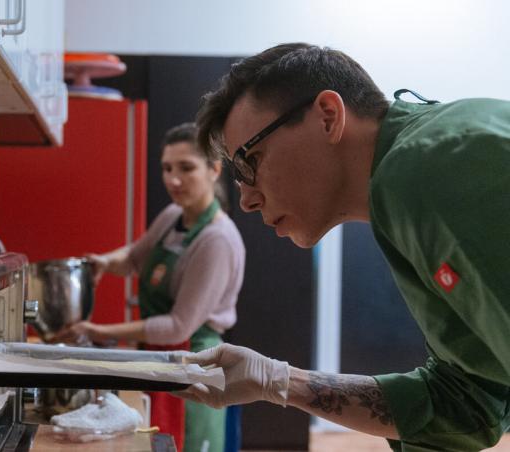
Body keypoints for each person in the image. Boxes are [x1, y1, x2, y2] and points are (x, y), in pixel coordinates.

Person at [177, 43, 510, 452]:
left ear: (328, 117)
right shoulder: (407, 186)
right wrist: (278, 381)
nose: (246, 199)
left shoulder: (434, 166)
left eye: (249, 162)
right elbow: (463, 405)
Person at [59, 122, 246, 452]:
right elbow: (133, 258)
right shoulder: (173, 215)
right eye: (167, 168)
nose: (173, 180)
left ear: (214, 169)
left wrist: (99, 331)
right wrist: (104, 261)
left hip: (195, 367)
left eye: (186, 168)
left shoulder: (218, 240)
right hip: (161, 363)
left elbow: (177, 327)